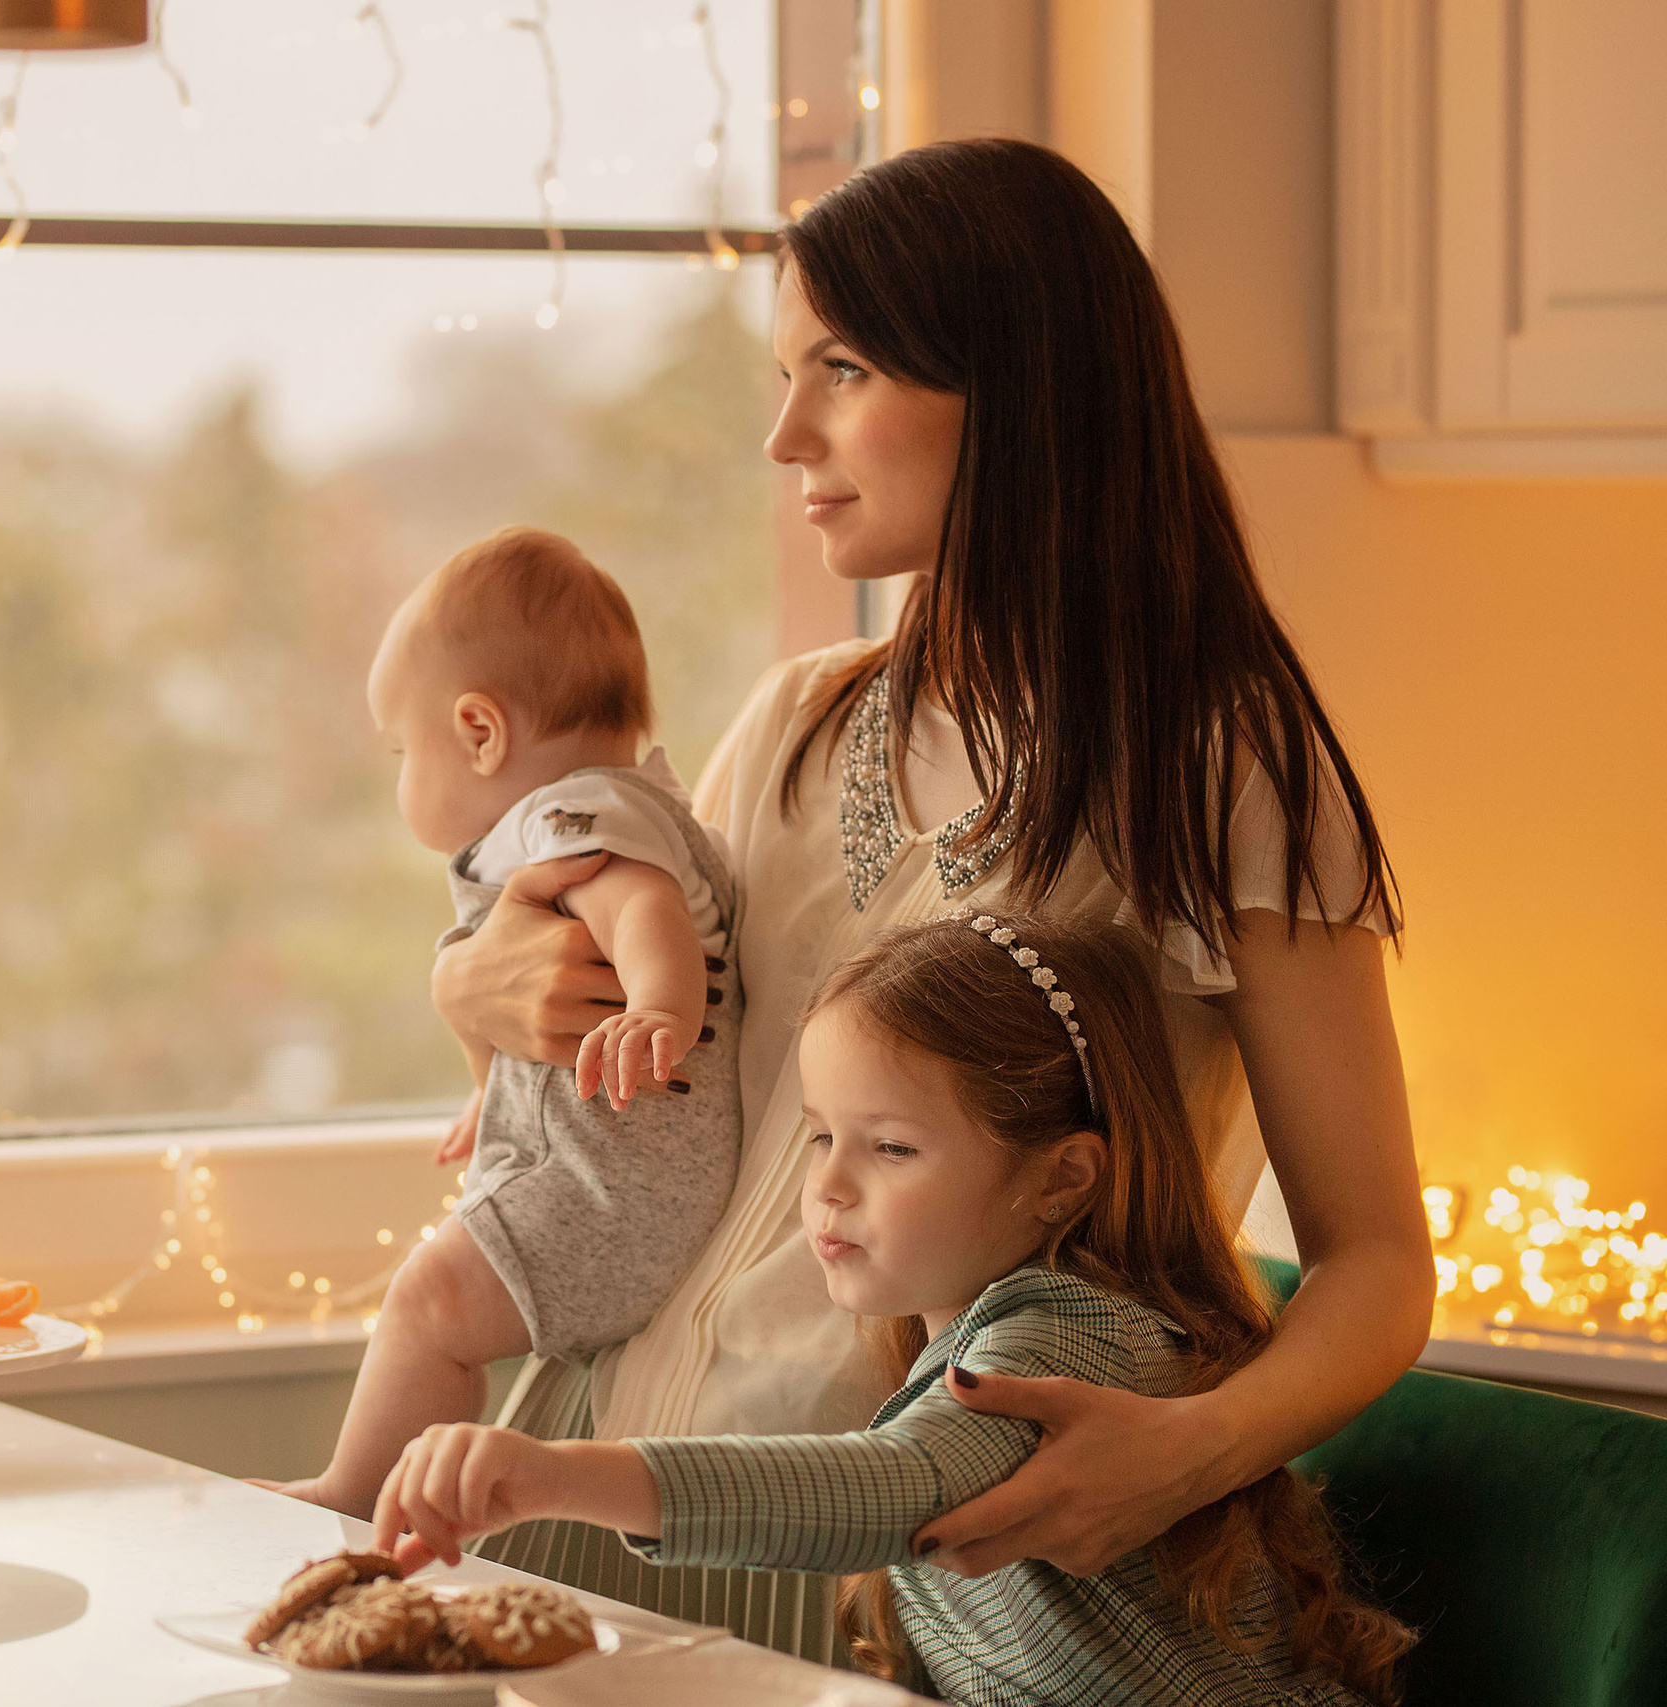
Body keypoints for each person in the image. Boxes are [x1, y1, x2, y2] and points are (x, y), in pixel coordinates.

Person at [429, 138, 1434, 1659]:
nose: (783, 433)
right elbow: (627, 1099)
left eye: (838, 368)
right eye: (786, 372)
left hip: (879, 1549)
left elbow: (1377, 1260)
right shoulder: (794, 720)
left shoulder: (1221, 765)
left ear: (1015, 389)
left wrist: (1192, 1449)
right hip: (581, 1450)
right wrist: (476, 987)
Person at [379, 913, 1415, 1704]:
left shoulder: (1069, 1337)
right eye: (822, 1136)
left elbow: (893, 1487)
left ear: (1059, 1179)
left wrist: (554, 1477)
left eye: (892, 1148)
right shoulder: (949, 1331)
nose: (829, 1186)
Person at [265, 526, 748, 1517]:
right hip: (601, 1172)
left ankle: (354, 1493)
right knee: (435, 1301)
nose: (402, 776)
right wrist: (491, 1098)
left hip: (619, 1188)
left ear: (479, 732)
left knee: (428, 1304)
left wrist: (661, 1003)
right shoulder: (619, 799)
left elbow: (638, 907)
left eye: (406, 750)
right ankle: (366, 1491)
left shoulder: (575, 817)